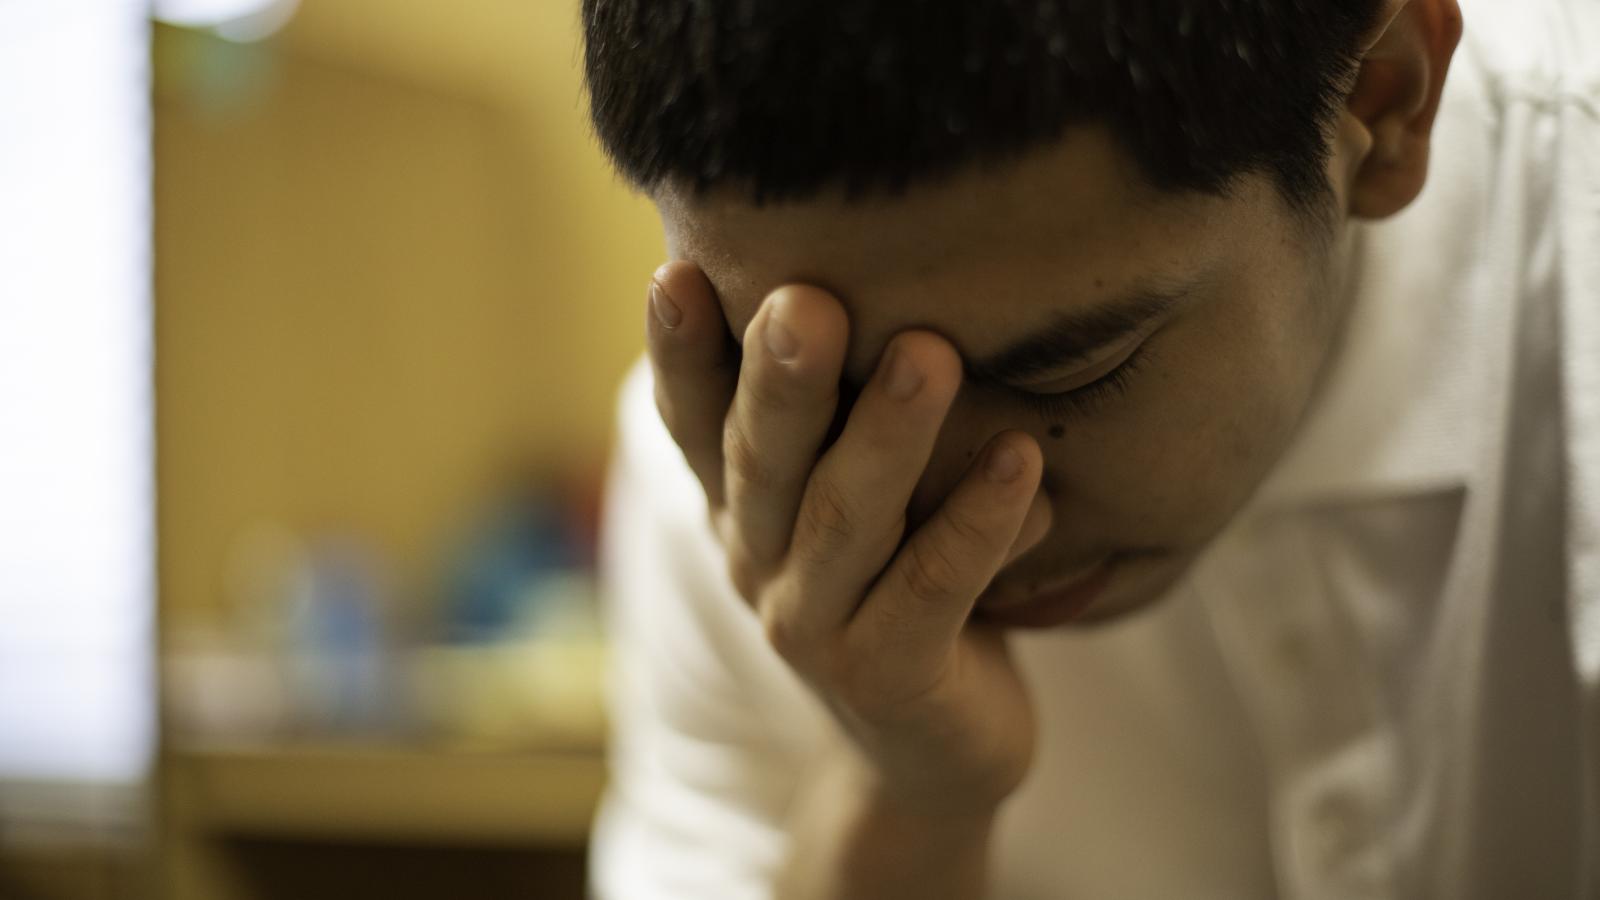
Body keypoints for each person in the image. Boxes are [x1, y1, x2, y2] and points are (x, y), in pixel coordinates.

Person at [581, 0, 1599, 896]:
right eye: (838, 393)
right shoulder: (734, 483)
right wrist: (909, 795)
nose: (980, 529)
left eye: (1072, 372)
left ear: (1379, 105)